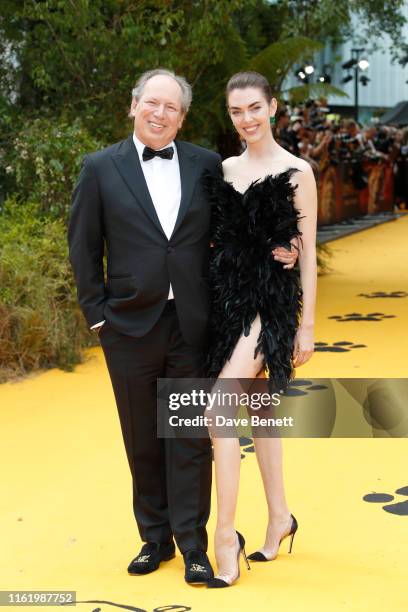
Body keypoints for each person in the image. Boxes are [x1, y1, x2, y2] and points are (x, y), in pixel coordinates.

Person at [68, 67, 300, 585]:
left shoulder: (204, 165)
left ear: (183, 118)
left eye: (172, 108)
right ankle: (154, 539)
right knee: (141, 438)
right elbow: (83, 248)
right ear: (134, 105)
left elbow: (239, 229)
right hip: (127, 325)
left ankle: (194, 544)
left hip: (194, 323)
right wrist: (97, 316)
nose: (160, 114)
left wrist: (288, 248)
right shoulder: (99, 168)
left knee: (190, 435)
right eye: (153, 103)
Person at [204, 71, 317, 588]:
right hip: (228, 303)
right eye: (236, 112)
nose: (246, 120)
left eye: (254, 108)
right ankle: (280, 517)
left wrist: (307, 325)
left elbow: (308, 256)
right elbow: (219, 238)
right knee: (260, 408)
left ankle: (224, 537)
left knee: (218, 406)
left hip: (269, 304)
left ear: (272, 107)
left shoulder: (298, 171)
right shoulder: (225, 168)